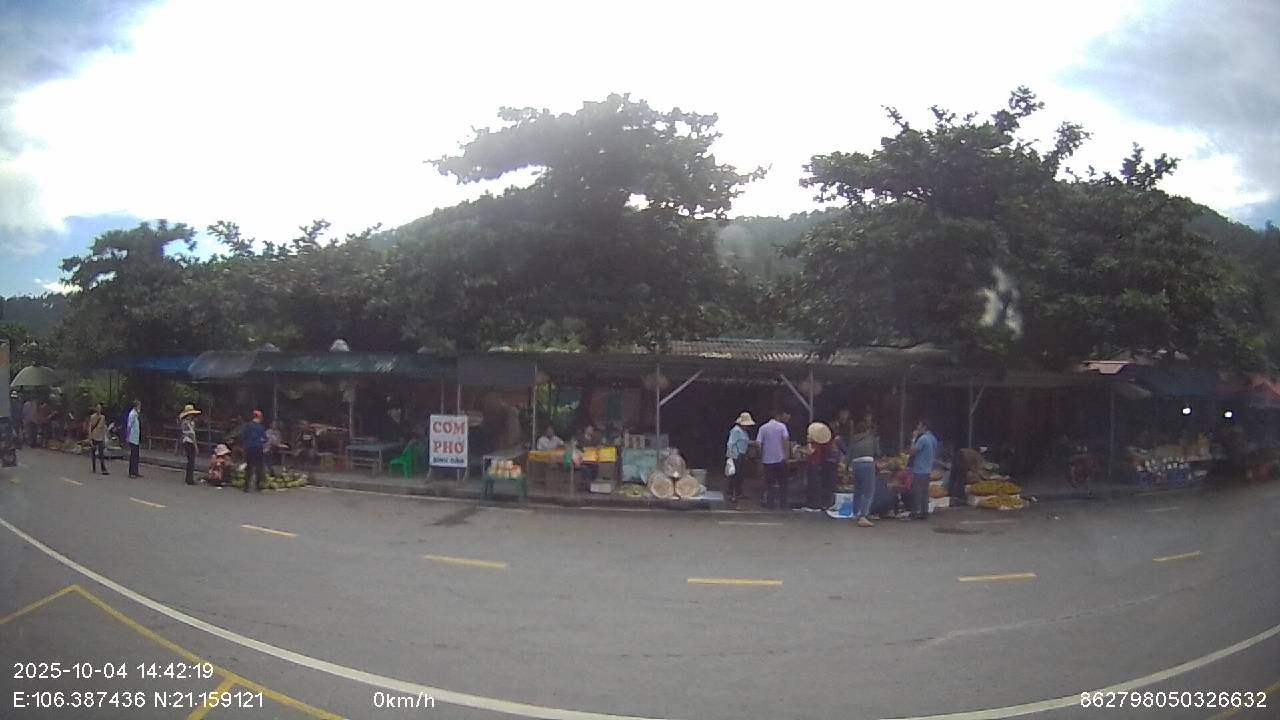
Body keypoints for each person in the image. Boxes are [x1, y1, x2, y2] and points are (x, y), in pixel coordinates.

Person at [848, 418, 881, 527]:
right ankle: (863, 516)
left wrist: (847, 467)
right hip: (867, 463)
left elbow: (849, 453)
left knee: (858, 490)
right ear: (867, 429)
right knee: (868, 491)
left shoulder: (853, 439)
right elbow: (877, 453)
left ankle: (855, 513)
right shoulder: (872, 438)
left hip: (855, 464)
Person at [757, 410, 791, 509]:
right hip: (780, 459)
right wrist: (786, 456)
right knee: (783, 483)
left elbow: (758, 444)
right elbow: (786, 441)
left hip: (767, 460)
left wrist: (761, 456)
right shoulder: (782, 427)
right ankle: (783, 504)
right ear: (777, 416)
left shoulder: (762, 428)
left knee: (769, 484)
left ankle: (770, 504)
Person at [905, 418, 938, 520]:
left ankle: (915, 512)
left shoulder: (922, 439)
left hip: (919, 469)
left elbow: (912, 451)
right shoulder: (933, 438)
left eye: (919, 425)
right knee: (924, 492)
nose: (917, 427)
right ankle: (924, 512)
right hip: (928, 469)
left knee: (917, 492)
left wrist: (913, 439)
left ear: (924, 427)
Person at [803, 422, 836, 511]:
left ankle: (814, 504)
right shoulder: (823, 444)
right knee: (816, 484)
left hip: (813, 464)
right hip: (818, 464)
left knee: (813, 484)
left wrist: (808, 442)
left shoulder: (815, 443)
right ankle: (817, 503)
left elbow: (810, 452)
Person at [724, 412, 755, 503]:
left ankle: (738, 493)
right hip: (736, 455)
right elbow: (731, 443)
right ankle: (731, 494)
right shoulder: (736, 431)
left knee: (740, 475)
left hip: (742, 454)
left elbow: (745, 442)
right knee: (734, 475)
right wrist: (732, 455)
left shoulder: (743, 432)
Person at [240, 410, 269, 493]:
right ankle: (258, 485)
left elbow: (243, 436)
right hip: (258, 448)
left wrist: (245, 444)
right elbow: (265, 438)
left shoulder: (248, 426)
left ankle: (246, 486)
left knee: (249, 466)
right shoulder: (261, 427)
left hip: (249, 448)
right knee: (259, 466)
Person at [179, 404, 201, 485]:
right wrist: (196, 445)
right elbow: (192, 435)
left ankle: (188, 478)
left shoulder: (184, 422)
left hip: (186, 441)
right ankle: (190, 479)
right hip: (190, 442)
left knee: (190, 461)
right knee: (191, 461)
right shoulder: (188, 423)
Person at [88, 403, 109, 475]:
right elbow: (90, 427)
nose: (99, 409)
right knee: (93, 453)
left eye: (100, 408)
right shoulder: (92, 417)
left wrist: (104, 437)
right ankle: (94, 467)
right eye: (97, 408)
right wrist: (90, 438)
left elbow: (104, 428)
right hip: (94, 436)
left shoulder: (103, 417)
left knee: (101, 454)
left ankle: (103, 469)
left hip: (100, 437)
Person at [126, 400, 143, 478]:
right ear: (136, 406)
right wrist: (127, 436)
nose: (140, 407)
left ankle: (135, 471)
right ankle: (131, 472)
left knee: (136, 455)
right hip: (132, 437)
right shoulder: (132, 414)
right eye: (139, 405)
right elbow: (129, 426)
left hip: (136, 438)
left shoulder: (136, 414)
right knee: (133, 455)